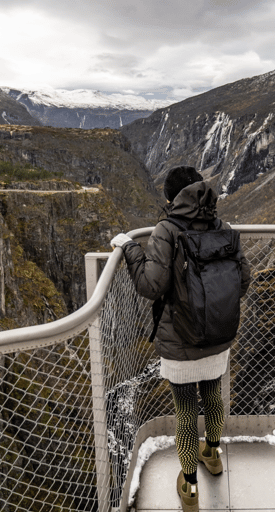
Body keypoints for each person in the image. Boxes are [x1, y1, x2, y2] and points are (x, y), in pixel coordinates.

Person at [110, 165, 251, 512]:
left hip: (181, 341)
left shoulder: (167, 230)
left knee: (186, 410)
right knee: (214, 395)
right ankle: (213, 455)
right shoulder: (222, 228)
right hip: (218, 334)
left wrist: (130, 248)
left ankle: (189, 485)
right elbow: (244, 278)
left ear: (171, 198)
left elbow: (150, 285)